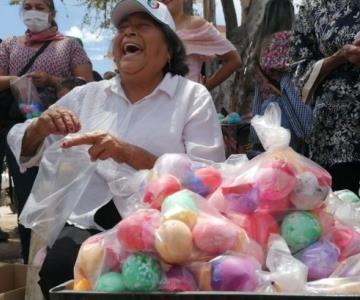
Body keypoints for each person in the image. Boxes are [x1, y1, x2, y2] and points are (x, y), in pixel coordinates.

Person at [7, 0, 225, 297]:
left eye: (142, 26)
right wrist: (41, 126)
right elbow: (24, 145)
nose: (128, 34)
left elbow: (209, 178)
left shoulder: (191, 97)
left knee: (165, 282)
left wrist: (129, 154)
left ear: (170, 50)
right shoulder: (86, 96)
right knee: (59, 268)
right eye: (123, 28)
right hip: (87, 224)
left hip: (164, 226)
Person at [0, 0, 93, 263]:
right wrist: (19, 80)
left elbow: (87, 83)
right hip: (23, 134)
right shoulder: (9, 45)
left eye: (39, 6)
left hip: (65, 132)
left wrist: (51, 80)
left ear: (51, 12)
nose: (32, 11)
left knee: (65, 199)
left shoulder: (70, 45)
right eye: (27, 5)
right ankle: (32, 262)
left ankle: (66, 261)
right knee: (28, 197)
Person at [290, 0, 360, 194]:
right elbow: (299, 72)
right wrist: (340, 56)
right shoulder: (315, 6)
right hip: (335, 133)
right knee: (343, 208)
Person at [246, 0, 312, 156]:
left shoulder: (258, 44)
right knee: (292, 164)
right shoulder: (288, 39)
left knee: (273, 164)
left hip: (266, 112)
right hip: (288, 109)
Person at [158, 0, 241, 89]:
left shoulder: (197, 26)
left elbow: (234, 60)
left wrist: (205, 88)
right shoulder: (148, 28)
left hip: (187, 100)